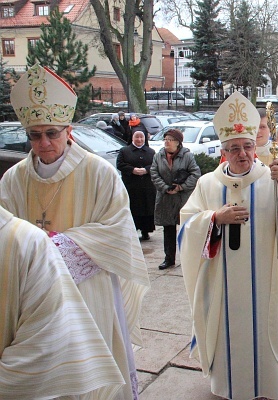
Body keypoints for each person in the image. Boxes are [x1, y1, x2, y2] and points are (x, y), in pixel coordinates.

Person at [0, 63, 149, 400]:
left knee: (88, 375)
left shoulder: (99, 173)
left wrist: (55, 247)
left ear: (68, 131)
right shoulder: (13, 180)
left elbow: (118, 231)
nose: (44, 143)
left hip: (87, 290)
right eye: (35, 135)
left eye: (51, 133)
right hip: (30, 297)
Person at [178, 91, 278, 400]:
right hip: (221, 283)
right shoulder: (208, 185)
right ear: (223, 152)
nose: (243, 154)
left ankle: (268, 385)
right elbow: (185, 227)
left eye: (248, 146)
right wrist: (214, 218)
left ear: (256, 147)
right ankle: (227, 385)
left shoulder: (272, 179)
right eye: (234, 148)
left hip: (265, 283)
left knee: (265, 332)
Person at [0, 206, 125, 399]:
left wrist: (61, 245)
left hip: (89, 283)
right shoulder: (13, 180)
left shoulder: (26, 241)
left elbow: (119, 226)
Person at [150, 128, 200, 270]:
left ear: (178, 143)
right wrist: (165, 188)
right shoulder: (158, 156)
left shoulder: (187, 156)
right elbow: (154, 173)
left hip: (182, 198)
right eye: (165, 139)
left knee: (186, 228)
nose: (166, 142)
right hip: (166, 198)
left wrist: (181, 187)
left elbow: (195, 174)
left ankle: (189, 258)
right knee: (168, 229)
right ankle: (169, 259)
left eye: (170, 140)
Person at [117, 130, 157, 241]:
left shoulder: (151, 151)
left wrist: (146, 170)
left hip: (147, 186)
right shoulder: (124, 151)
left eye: (141, 137)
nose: (139, 140)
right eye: (137, 137)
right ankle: (132, 231)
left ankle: (146, 231)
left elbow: (155, 165)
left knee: (146, 209)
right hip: (131, 186)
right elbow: (120, 164)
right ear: (132, 138)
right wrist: (132, 170)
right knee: (132, 209)